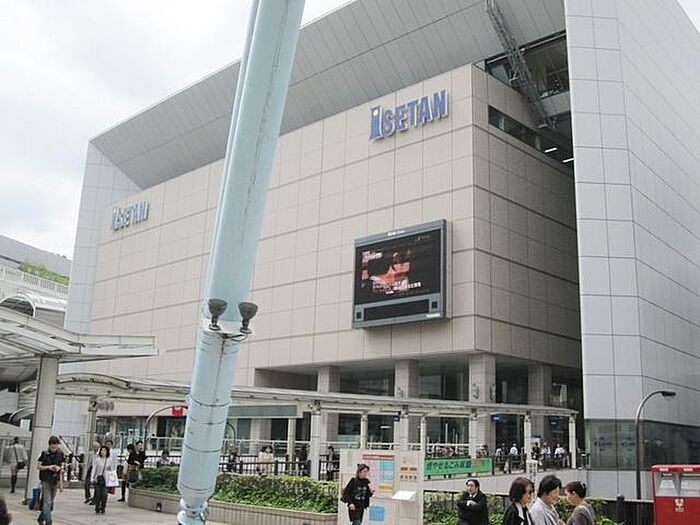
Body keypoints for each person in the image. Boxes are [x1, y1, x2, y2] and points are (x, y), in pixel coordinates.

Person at [37, 435, 65, 525]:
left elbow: (62, 468)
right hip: (45, 479)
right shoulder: (44, 454)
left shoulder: (60, 454)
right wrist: (48, 467)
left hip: (55, 480)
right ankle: (49, 522)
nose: (54, 449)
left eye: (56, 447)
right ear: (49, 445)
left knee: (50, 502)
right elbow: (38, 466)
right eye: (52, 447)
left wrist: (59, 469)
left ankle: (41, 518)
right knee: (47, 501)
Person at [91, 445, 113, 514]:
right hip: (98, 479)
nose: (103, 452)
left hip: (106, 480)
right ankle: (97, 506)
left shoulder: (109, 460)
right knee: (98, 494)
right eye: (102, 450)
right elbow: (94, 469)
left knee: (104, 494)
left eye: (104, 451)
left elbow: (111, 470)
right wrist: (92, 478)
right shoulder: (97, 460)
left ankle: (103, 506)